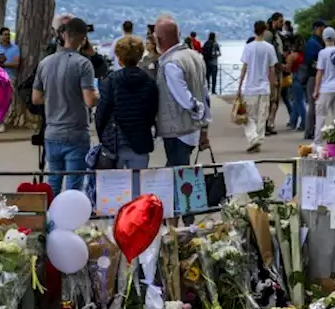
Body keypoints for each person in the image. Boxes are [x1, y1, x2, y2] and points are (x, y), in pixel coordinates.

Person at [33, 16, 97, 192]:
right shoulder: (83, 64)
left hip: (52, 131)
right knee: (73, 184)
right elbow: (89, 100)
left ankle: (51, 217)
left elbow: (36, 98)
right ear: (83, 38)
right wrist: (99, 95)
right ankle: (70, 219)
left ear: (64, 35)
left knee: (53, 180)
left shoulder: (44, 63)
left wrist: (55, 97)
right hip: (75, 131)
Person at [96, 34, 159, 177]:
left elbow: (102, 111)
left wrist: (102, 134)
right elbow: (152, 111)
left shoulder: (110, 81)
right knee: (138, 187)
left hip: (116, 141)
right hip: (140, 139)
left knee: (115, 188)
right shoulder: (149, 82)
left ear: (119, 57)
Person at [154, 17, 209, 166]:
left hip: (178, 130)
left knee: (177, 176)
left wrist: (197, 109)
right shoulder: (195, 56)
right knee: (178, 173)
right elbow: (204, 92)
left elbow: (185, 98)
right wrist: (204, 124)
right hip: (193, 130)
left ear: (160, 39)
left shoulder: (170, 63)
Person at [236, 20, 278, 153]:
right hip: (264, 86)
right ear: (265, 31)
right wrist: (272, 86)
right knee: (262, 116)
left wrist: (239, 85)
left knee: (249, 117)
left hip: (250, 87)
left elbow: (244, 67)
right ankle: (258, 139)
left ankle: (254, 138)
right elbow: (272, 70)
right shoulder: (269, 48)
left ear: (254, 30)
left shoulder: (248, 47)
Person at [312, 27, 335, 146]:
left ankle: (317, 142)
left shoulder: (322, 53)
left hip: (326, 88)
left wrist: (316, 90)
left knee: (321, 115)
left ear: (323, 38)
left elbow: (319, 72)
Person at [302, 20, 325, 140]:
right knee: (313, 104)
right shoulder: (313, 43)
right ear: (316, 28)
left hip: (314, 75)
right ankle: (309, 130)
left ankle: (311, 129)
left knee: (314, 104)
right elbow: (311, 61)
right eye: (322, 27)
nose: (323, 30)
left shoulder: (315, 42)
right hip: (313, 76)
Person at [265, 12, 286, 136]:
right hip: (272, 71)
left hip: (277, 70)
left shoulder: (276, 35)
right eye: (280, 21)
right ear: (274, 21)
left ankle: (270, 123)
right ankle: (267, 123)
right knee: (272, 99)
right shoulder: (269, 35)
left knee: (276, 99)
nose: (282, 24)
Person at [285, 37, 305, 130]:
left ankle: (304, 123)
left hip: (296, 77)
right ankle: (293, 121)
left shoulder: (292, 56)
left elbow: (288, 69)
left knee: (299, 101)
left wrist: (280, 66)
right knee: (297, 101)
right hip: (304, 78)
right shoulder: (305, 54)